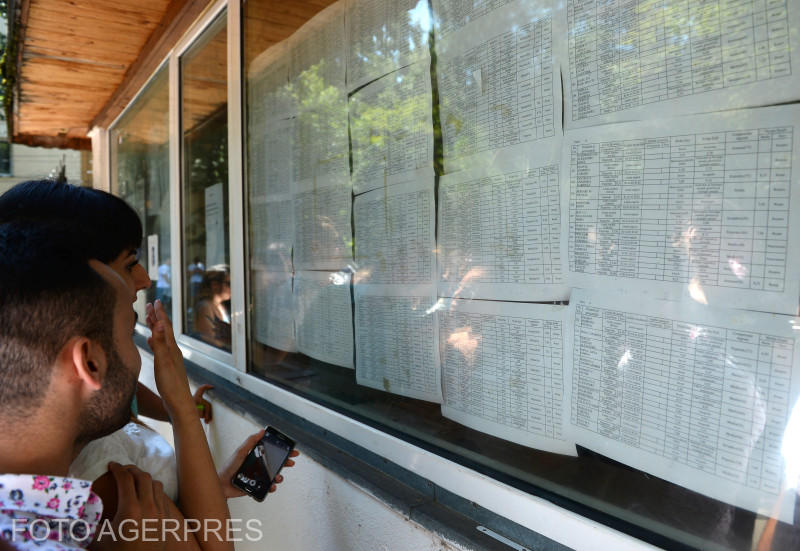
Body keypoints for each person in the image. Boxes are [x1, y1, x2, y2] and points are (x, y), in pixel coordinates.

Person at [0, 218, 230, 550]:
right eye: (128, 333)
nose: (143, 278)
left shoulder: (65, 502)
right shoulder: (118, 497)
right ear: (90, 363)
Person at [192, 266, 232, 351]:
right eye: (229, 284)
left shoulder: (220, 305)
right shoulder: (205, 307)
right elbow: (210, 340)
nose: (232, 288)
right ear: (215, 285)